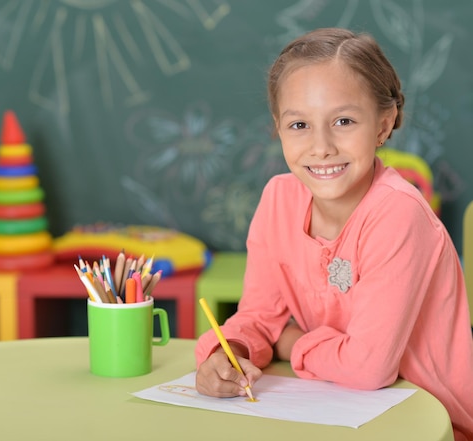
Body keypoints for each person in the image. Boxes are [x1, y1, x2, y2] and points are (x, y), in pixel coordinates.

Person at [195, 28, 473, 440]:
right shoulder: (279, 199)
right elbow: (258, 317)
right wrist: (229, 353)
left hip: (431, 422)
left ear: (384, 123)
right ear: (278, 127)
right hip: (337, 411)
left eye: (343, 121)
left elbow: (368, 367)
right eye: (299, 124)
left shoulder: (398, 212)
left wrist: (291, 344)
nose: (321, 146)